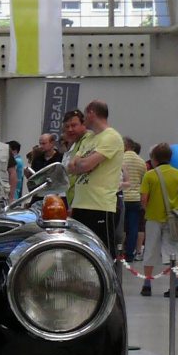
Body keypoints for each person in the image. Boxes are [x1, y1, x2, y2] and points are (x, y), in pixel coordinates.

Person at [65, 100, 124, 250]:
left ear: (92, 113)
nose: (83, 119)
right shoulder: (89, 139)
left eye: (84, 115)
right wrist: (84, 163)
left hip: (100, 206)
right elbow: (71, 166)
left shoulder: (111, 137)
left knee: (102, 250)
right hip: (80, 204)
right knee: (80, 251)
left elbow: (85, 164)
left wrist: (83, 163)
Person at [139, 143, 178, 296]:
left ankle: (147, 284)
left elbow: (144, 198)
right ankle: (176, 284)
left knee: (150, 249)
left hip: (153, 218)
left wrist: (148, 209)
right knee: (173, 251)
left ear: (153, 158)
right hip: (172, 218)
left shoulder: (150, 175)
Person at [119, 136, 145, 262]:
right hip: (135, 198)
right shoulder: (141, 162)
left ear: (125, 146)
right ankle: (130, 254)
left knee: (121, 227)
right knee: (134, 227)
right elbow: (143, 182)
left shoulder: (120, 159)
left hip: (122, 196)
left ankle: (119, 252)